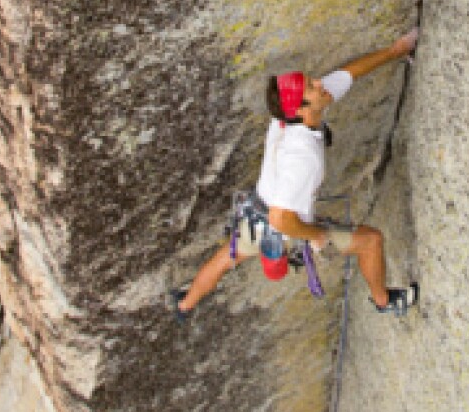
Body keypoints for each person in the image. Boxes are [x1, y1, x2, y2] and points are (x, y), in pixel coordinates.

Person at [169, 30, 419, 318]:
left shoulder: (289, 115)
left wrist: (395, 50)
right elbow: (281, 218)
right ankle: (384, 300)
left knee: (224, 259)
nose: (319, 83)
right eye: (311, 87)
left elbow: (347, 74)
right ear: (300, 108)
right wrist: (316, 235)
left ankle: (185, 304)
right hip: (284, 226)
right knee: (370, 241)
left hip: (254, 218)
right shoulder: (302, 157)